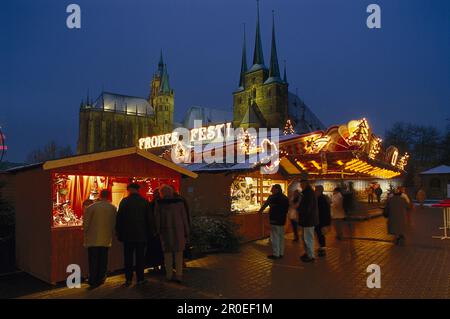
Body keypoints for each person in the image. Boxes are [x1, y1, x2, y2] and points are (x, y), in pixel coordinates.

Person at [116, 183, 150, 286]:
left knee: (128, 258)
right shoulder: (144, 201)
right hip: (141, 234)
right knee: (140, 258)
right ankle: (140, 278)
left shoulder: (124, 201)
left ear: (128, 190)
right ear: (138, 189)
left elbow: (119, 219)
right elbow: (149, 219)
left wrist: (119, 233)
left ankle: (128, 279)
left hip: (127, 235)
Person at [156, 185, 190, 283]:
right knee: (179, 254)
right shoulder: (179, 203)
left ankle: (169, 274)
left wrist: (158, 230)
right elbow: (184, 218)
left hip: (165, 231)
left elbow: (157, 219)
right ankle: (179, 274)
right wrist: (186, 231)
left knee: (168, 255)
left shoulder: (159, 204)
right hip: (179, 231)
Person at [83, 189, 116, 288]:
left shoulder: (92, 207)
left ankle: (93, 280)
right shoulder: (113, 208)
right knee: (103, 259)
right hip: (106, 238)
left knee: (93, 260)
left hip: (93, 238)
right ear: (109, 195)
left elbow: (86, 224)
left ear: (100, 195)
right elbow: (114, 223)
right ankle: (101, 278)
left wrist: (85, 231)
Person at [258, 184, 289, 260]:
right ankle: (281, 253)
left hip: (274, 219)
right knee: (281, 237)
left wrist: (260, 211)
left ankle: (276, 254)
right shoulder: (285, 198)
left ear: (276, 189)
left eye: (272, 189)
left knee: (275, 237)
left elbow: (265, 204)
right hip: (282, 219)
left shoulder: (272, 197)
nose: (271, 190)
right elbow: (287, 208)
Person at [298, 179, 319, 263]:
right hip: (308, 219)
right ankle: (308, 253)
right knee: (306, 237)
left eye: (302, 184)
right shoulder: (307, 193)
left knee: (308, 238)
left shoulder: (308, 193)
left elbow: (307, 208)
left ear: (306, 184)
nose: (300, 185)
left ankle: (310, 256)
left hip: (308, 219)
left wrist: (303, 217)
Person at [145, 188, 164, 272]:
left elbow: (149, 218)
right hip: (162, 231)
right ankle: (163, 266)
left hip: (153, 231)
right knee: (162, 250)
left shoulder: (151, 204)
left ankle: (155, 266)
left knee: (154, 250)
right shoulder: (163, 204)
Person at [314, 185, 331, 257]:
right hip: (320, 220)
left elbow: (324, 211)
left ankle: (322, 249)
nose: (315, 191)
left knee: (320, 235)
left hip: (321, 220)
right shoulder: (323, 198)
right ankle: (321, 248)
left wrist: (325, 223)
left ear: (319, 191)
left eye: (316, 190)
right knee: (320, 235)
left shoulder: (321, 199)